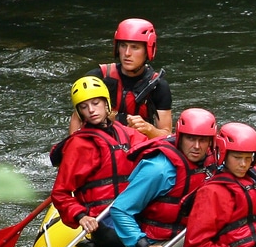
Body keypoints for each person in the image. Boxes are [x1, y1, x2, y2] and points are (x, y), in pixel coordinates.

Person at [91, 107, 220, 247]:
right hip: (161, 246)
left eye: (203, 140)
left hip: (189, 233)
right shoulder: (159, 169)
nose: (197, 146)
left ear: (211, 141)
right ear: (180, 137)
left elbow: (240, 168)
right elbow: (120, 210)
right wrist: (143, 246)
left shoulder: (213, 158)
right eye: (191, 139)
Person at [55, 18, 174, 164]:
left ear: (147, 50)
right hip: (98, 145)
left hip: (135, 149)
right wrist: (74, 155)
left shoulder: (159, 87)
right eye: (123, 46)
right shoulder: (97, 77)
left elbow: (166, 136)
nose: (127, 53)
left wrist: (148, 129)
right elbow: (77, 118)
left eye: (135, 47)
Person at [49, 76, 146, 247]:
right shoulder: (79, 145)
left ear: (106, 103)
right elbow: (60, 193)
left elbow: (157, 153)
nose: (91, 110)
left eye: (96, 103)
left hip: (134, 212)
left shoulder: (128, 134)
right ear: (79, 112)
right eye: (84, 107)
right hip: (104, 221)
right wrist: (81, 217)